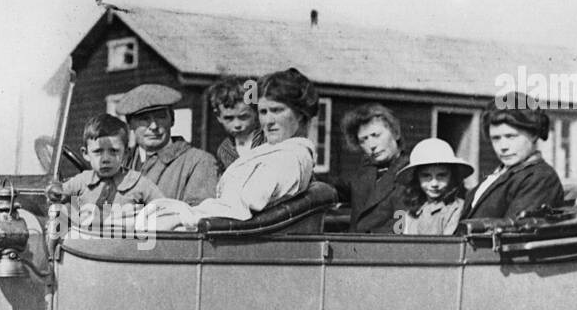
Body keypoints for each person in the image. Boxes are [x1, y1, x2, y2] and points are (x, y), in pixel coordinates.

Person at [137, 68, 317, 230]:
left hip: (231, 234)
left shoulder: (288, 158)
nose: (267, 122)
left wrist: (184, 215)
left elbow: (242, 207)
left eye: (277, 110)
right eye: (263, 112)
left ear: (300, 114)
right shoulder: (268, 152)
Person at [458, 93, 565, 223]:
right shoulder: (499, 175)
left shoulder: (540, 178)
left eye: (511, 136)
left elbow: (514, 231)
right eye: (496, 138)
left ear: (533, 135)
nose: (503, 146)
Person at [115, 83, 220, 205]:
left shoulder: (199, 162)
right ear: (130, 124)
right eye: (144, 119)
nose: (153, 126)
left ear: (172, 120)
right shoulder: (119, 162)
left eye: (161, 117)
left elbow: (198, 215)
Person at [62, 113, 161, 229]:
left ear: (125, 153)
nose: (105, 159)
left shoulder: (138, 183)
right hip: (85, 243)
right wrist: (70, 213)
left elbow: (164, 207)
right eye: (98, 151)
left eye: (113, 151)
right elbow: (57, 195)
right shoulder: (81, 181)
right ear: (86, 154)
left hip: (124, 243)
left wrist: (139, 220)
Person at [323, 103, 410, 233]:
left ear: (395, 133)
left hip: (384, 248)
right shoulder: (366, 171)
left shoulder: (410, 171)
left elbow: (401, 228)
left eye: (376, 135)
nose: (371, 145)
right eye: (363, 140)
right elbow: (344, 188)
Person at [395, 138, 473, 235]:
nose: (434, 184)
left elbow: (447, 245)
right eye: (426, 176)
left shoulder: (456, 208)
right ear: (417, 178)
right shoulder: (412, 210)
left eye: (441, 175)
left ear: (452, 176)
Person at [206, 76, 265, 171]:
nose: (237, 125)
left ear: (255, 112)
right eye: (229, 118)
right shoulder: (224, 150)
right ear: (218, 116)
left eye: (243, 117)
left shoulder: (268, 140)